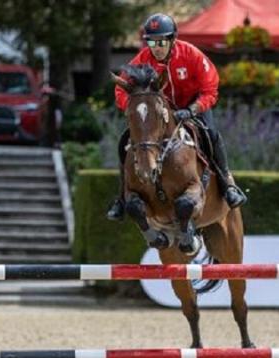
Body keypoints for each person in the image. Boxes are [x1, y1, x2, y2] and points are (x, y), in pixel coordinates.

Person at [106, 13, 247, 221]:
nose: (156, 47)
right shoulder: (142, 59)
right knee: (125, 141)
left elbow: (210, 89)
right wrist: (135, 108)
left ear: (172, 39)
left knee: (212, 135)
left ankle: (228, 185)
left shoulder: (191, 54)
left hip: (193, 107)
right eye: (151, 42)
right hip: (158, 113)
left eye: (161, 42)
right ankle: (121, 198)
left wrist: (192, 110)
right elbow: (121, 90)